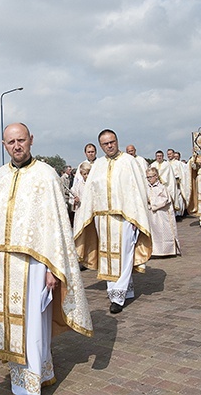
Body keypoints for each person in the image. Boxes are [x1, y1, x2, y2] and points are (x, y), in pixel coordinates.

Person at [0, 123, 92, 394]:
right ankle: (36, 372)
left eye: (21, 140)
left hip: (34, 264)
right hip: (0, 265)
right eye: (11, 141)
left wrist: (52, 268)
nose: (17, 146)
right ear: (4, 145)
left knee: (33, 324)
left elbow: (56, 229)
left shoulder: (46, 175)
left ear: (31, 140)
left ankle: (29, 384)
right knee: (7, 324)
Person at [74, 129, 152, 314]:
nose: (110, 145)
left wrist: (137, 217)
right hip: (103, 217)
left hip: (125, 217)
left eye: (112, 142)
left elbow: (138, 190)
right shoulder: (98, 165)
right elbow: (91, 190)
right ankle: (124, 290)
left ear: (117, 141)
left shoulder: (129, 162)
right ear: (101, 146)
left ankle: (117, 296)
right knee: (107, 256)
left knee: (124, 255)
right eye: (105, 143)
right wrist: (89, 214)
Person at [145, 167, 181, 256]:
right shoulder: (146, 188)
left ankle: (166, 251)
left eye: (150, 177)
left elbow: (165, 199)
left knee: (162, 231)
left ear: (156, 176)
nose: (149, 179)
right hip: (150, 214)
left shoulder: (162, 187)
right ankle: (154, 251)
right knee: (153, 232)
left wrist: (152, 202)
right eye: (147, 177)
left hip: (161, 214)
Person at [166, 148, 190, 220]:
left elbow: (183, 173)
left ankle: (179, 214)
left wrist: (180, 180)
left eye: (170, 154)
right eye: (168, 154)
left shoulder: (178, 163)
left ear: (173, 154)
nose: (169, 155)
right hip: (169, 184)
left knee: (178, 198)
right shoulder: (166, 163)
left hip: (177, 184)